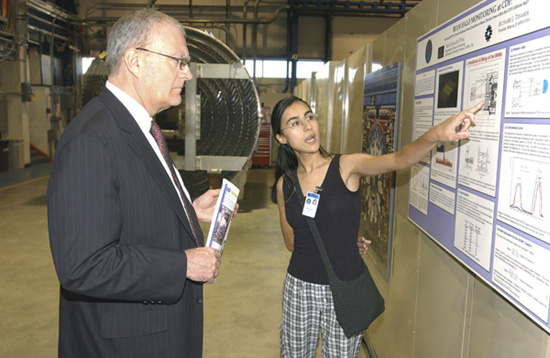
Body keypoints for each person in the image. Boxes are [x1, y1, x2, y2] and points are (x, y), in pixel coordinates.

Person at [47, 9, 222, 357]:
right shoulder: (92, 139)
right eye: (179, 60)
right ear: (135, 60)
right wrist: (183, 264)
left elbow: (134, 199)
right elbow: (83, 266)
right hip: (127, 343)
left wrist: (187, 207)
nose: (187, 73)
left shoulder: (138, 126)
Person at [271, 95, 483, 357]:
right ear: (281, 138)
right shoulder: (284, 186)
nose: (307, 126)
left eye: (309, 117)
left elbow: (398, 160)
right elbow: (293, 242)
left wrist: (436, 135)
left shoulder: (346, 166)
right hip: (299, 289)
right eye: (295, 123)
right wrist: (341, 238)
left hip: (345, 288)